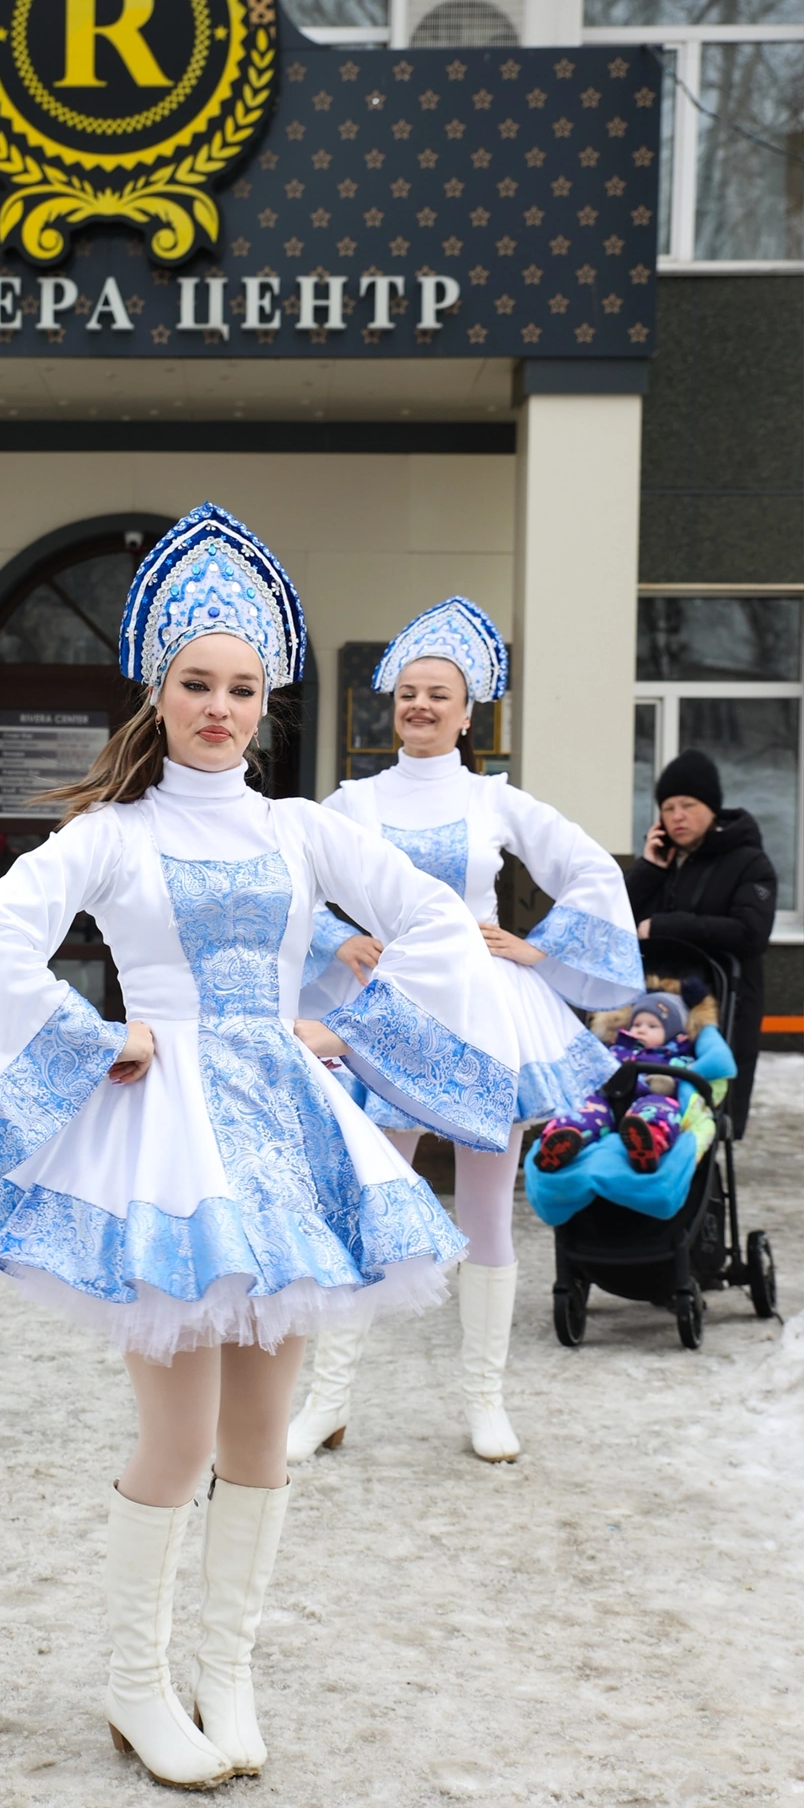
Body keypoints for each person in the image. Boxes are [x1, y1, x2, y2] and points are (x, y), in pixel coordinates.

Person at [0, 506, 518, 1791]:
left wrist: (349, 1026)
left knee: (260, 1435)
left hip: (287, 1141)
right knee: (179, 1439)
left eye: (243, 688)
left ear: (268, 703)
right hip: (168, 1152)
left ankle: (227, 1671)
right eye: (198, 683)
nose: (220, 707)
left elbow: (435, 923)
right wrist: (98, 1039)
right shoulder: (112, 835)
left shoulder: (301, 830)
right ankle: (135, 1684)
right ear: (159, 690)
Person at [290, 597, 644, 1466]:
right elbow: (288, 881)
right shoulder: (352, 802)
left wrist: (539, 946)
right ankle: (327, 1402)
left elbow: (589, 868)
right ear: (391, 704)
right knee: (367, 1200)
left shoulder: (494, 799)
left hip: (486, 1014)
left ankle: (485, 1402)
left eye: (437, 695)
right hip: (387, 1015)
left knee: (486, 1211)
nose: (419, 706)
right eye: (408, 693)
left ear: (467, 711)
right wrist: (339, 940)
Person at [625, 749, 776, 1137]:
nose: (677, 816)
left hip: (721, 1009)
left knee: (705, 1117)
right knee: (639, 1106)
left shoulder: (750, 863)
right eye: (668, 807)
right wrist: (648, 870)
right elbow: (616, 919)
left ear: (712, 808)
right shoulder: (663, 862)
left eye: (688, 805)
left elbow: (751, 932)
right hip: (652, 1009)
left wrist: (665, 926)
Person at [536, 991, 697, 1174]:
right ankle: (561, 1138)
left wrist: (668, 1083)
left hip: (648, 1098)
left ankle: (648, 1140)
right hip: (608, 1099)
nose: (641, 1030)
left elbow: (684, 1077)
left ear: (672, 1033)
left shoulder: (675, 1057)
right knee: (585, 1109)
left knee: (661, 1109)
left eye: (652, 1026)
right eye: (637, 1024)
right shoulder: (617, 1049)